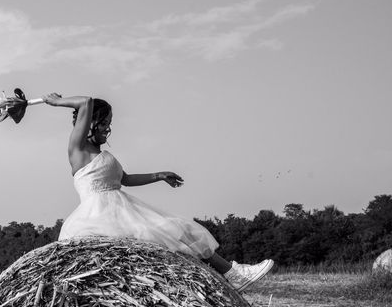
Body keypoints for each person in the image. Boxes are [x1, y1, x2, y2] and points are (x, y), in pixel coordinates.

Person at [42, 93, 273, 290]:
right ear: (89, 122)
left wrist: (159, 176)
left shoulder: (103, 155)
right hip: (97, 216)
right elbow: (86, 101)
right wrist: (56, 101)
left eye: (109, 123)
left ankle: (232, 274)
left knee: (179, 229)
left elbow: (125, 179)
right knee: (170, 232)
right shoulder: (77, 148)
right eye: (104, 123)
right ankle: (233, 275)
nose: (108, 129)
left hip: (122, 208)